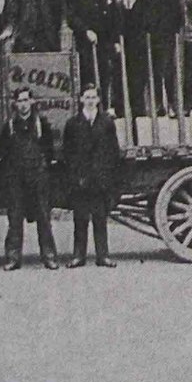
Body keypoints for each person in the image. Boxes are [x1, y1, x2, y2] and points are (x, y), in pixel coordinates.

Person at [0, 86, 58, 271]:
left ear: (32, 102)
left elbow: (49, 151)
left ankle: (49, 257)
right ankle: (13, 258)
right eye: (20, 101)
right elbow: (3, 152)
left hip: (38, 176)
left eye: (26, 100)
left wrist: (41, 168)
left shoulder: (42, 124)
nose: (23, 105)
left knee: (43, 216)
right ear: (15, 104)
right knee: (15, 219)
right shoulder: (9, 126)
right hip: (16, 178)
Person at [62, 86, 120, 268]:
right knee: (80, 219)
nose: (90, 100)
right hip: (81, 179)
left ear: (98, 100)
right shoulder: (72, 123)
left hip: (100, 179)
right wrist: (75, 175)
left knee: (100, 218)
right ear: (80, 100)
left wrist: (106, 174)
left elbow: (113, 151)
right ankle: (78, 256)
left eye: (93, 97)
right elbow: (67, 153)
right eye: (86, 97)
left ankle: (103, 256)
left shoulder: (107, 123)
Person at [65, 0, 117, 115]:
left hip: (104, 43)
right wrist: (85, 30)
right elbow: (71, 18)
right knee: (87, 75)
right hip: (85, 44)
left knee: (105, 75)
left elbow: (115, 19)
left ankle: (105, 107)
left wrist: (114, 40)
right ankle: (86, 110)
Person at [110, 0, 150, 129]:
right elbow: (112, 27)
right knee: (120, 82)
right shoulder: (116, 4)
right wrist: (115, 43)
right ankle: (121, 118)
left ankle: (138, 118)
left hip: (138, 50)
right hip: (121, 49)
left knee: (138, 83)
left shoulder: (143, 3)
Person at [142, 0, 183, 117]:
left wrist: (169, 31)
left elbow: (179, 17)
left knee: (168, 72)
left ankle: (172, 104)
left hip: (166, 39)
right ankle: (158, 105)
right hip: (149, 40)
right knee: (153, 73)